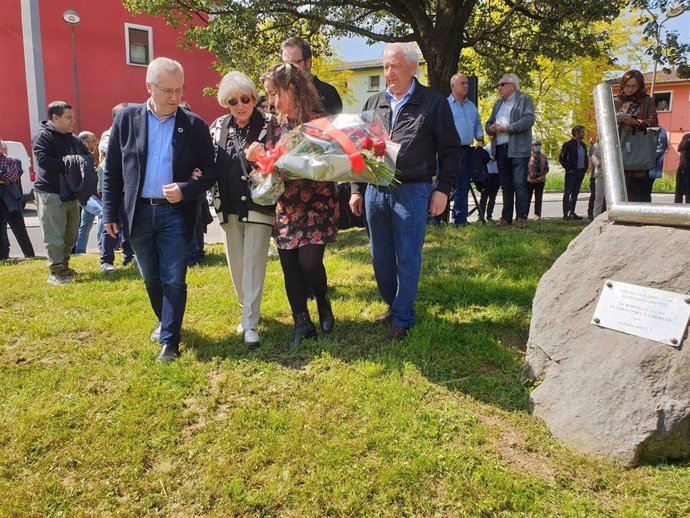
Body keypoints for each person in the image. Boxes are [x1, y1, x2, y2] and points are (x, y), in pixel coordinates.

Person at [102, 57, 216, 362]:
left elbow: (210, 171)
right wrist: (110, 213)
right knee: (151, 277)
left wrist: (185, 189)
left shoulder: (194, 125)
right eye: (167, 90)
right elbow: (112, 170)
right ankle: (166, 322)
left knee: (174, 277)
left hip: (174, 214)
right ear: (149, 87)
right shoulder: (126, 119)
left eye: (179, 90)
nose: (174, 98)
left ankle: (170, 340)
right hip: (137, 212)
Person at [348, 43, 461, 342]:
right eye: (386, 66)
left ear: (413, 67)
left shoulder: (433, 103)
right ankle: (394, 303)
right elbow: (359, 151)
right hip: (376, 191)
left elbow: (450, 151)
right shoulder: (373, 103)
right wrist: (356, 190)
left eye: (395, 65)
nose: (389, 72)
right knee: (380, 257)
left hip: (413, 190)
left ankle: (403, 318)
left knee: (408, 257)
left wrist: (443, 190)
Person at [247, 63, 338, 347]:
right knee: (289, 266)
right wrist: (257, 158)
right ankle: (302, 323)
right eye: (269, 95)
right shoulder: (272, 126)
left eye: (275, 94)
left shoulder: (319, 122)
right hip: (287, 206)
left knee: (309, 263)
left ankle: (322, 301)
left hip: (317, 203)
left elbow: (332, 162)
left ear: (293, 88)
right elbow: (266, 164)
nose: (272, 101)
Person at [210, 71, 277, 347]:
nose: (240, 106)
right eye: (232, 101)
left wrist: (257, 158)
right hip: (227, 204)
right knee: (236, 265)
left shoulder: (271, 125)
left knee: (253, 263)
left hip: (259, 203)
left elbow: (280, 161)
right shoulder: (216, 127)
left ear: (254, 97)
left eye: (245, 99)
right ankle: (247, 307)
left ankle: (250, 322)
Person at [32, 100, 90, 284]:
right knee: (54, 236)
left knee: (71, 235)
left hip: (70, 193)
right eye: (68, 118)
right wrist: (71, 163)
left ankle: (64, 267)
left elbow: (86, 157)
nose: (73, 121)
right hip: (50, 193)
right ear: (54, 118)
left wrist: (82, 162)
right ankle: (55, 272)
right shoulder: (43, 137)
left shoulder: (72, 138)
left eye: (73, 117)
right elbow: (43, 161)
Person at [485, 73, 535, 228]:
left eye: (502, 84)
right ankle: (506, 218)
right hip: (500, 149)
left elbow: (528, 120)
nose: (499, 88)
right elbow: (488, 123)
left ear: (512, 86)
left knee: (519, 183)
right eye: (498, 85)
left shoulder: (524, 99)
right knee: (506, 185)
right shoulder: (498, 104)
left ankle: (521, 217)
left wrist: (508, 128)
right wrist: (491, 128)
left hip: (518, 149)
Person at [99, 103, 135, 268]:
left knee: (128, 223)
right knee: (110, 222)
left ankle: (129, 257)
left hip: (128, 186)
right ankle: (106, 261)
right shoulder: (109, 135)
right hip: (113, 187)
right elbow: (117, 156)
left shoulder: (132, 132)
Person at [614, 69, 658, 202]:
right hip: (619, 146)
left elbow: (654, 122)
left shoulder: (647, 101)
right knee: (618, 189)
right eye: (627, 85)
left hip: (638, 150)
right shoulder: (618, 101)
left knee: (639, 193)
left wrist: (636, 122)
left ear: (640, 86)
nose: (630, 89)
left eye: (634, 86)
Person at [447, 72, 484, 226]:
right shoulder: (445, 105)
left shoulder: (471, 106)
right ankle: (434, 220)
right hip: (448, 151)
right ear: (453, 86)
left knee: (463, 185)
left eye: (467, 83)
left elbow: (477, 124)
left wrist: (480, 139)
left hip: (466, 150)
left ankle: (460, 220)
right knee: (443, 184)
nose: (466, 86)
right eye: (463, 83)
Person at [280, 37, 343, 116]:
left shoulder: (327, 92)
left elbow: (333, 125)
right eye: (285, 64)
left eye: (294, 63)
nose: (289, 68)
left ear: (308, 63)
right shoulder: (280, 94)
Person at [0, 140, 35, 259]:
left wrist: (4, 178)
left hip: (11, 200)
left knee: (19, 229)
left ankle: (29, 255)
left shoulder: (11, 160)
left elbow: (11, 176)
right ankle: (3, 256)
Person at [74, 131, 102, 256]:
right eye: (93, 141)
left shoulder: (90, 155)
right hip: (87, 194)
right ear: (85, 143)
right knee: (104, 214)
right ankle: (103, 248)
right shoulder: (81, 157)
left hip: (91, 194)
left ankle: (79, 251)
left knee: (85, 224)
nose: (96, 143)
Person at [559, 125, 588, 220]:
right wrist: (568, 168)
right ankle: (565, 213)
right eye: (582, 132)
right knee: (568, 192)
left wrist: (585, 169)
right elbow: (562, 158)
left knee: (575, 193)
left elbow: (585, 158)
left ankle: (572, 212)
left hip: (580, 171)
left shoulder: (583, 145)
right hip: (572, 172)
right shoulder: (568, 145)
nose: (583, 134)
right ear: (576, 133)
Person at [643, 126, 668, 203]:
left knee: (645, 193)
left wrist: (643, 160)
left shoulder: (660, 131)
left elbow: (660, 149)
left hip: (650, 169)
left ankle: (644, 211)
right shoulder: (641, 129)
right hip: (641, 168)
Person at [478, 139, 500, 221]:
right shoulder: (486, 149)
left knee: (493, 197)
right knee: (484, 196)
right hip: (487, 175)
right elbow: (482, 160)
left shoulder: (499, 149)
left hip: (497, 175)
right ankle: (481, 216)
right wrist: (490, 158)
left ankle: (489, 215)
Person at [527, 140, 548, 220]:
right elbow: (525, 168)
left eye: (539, 144)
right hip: (529, 181)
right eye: (536, 145)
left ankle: (537, 214)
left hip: (540, 181)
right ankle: (525, 214)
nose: (538, 146)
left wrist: (542, 176)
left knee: (538, 198)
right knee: (527, 198)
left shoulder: (544, 156)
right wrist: (528, 176)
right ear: (532, 146)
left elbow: (546, 168)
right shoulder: (528, 156)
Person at [589, 137, 606, 218]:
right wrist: (598, 163)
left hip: (608, 174)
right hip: (600, 174)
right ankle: (596, 217)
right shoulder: (598, 147)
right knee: (599, 196)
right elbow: (593, 156)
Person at [675, 132, 690, 204]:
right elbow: (680, 148)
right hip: (682, 166)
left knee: (688, 191)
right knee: (679, 190)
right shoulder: (687, 136)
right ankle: (677, 207)